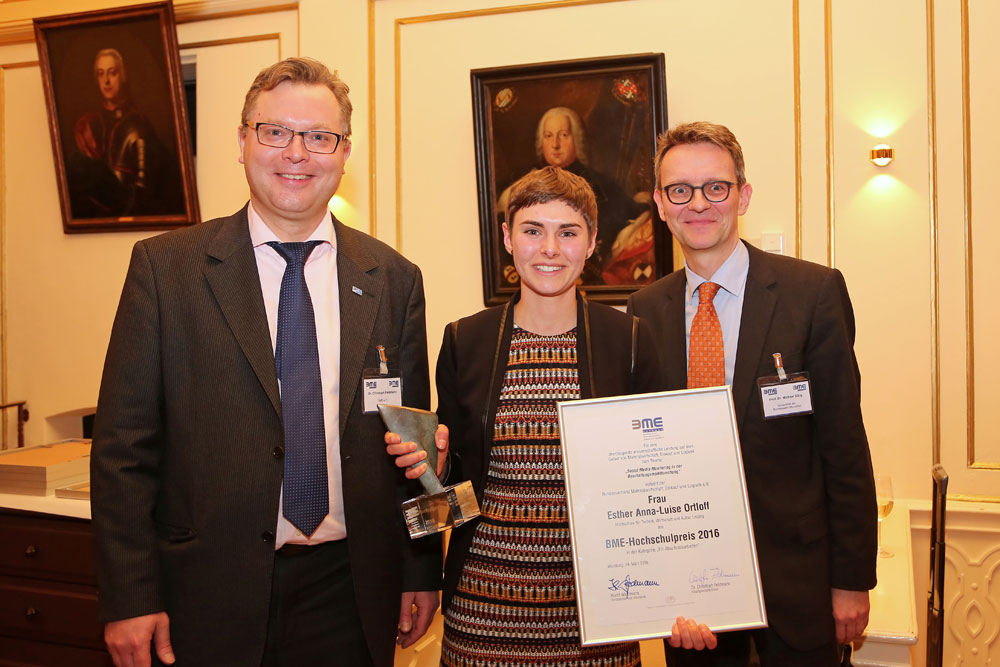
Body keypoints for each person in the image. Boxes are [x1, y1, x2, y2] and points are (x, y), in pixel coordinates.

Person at [90, 57, 441, 667]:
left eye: (319, 137)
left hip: (351, 591)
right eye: (275, 131)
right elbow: (123, 451)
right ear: (243, 140)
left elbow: (413, 444)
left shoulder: (393, 279)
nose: (296, 153)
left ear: (345, 151)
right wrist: (128, 596)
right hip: (205, 593)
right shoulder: (165, 270)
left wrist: (420, 569)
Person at [388, 166, 716, 666]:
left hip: (600, 618)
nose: (549, 249)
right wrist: (433, 474)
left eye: (567, 233)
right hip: (482, 616)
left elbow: (664, 485)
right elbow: (449, 490)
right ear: (507, 238)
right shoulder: (464, 340)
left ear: (591, 244)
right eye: (532, 230)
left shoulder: (628, 340)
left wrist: (685, 592)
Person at [627, 121, 877, 666]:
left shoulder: (813, 293)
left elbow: (845, 447)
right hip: (692, 598)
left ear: (742, 194)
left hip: (800, 585)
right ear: (660, 204)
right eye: (679, 190)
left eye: (715, 187)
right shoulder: (644, 309)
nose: (698, 203)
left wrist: (852, 580)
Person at [68, 48, 179, 218]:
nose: (106, 81)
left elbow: (146, 193)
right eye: (100, 74)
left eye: (112, 73)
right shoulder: (87, 126)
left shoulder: (139, 125)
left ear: (123, 75)